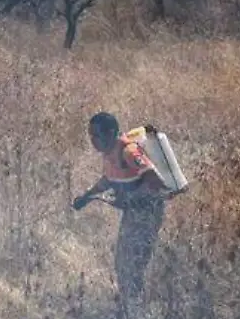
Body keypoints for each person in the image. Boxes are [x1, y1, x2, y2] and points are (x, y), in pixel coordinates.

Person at [71, 111, 180, 306]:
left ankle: (137, 306)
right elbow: (107, 179)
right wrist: (86, 197)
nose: (93, 140)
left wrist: (139, 200)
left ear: (111, 132)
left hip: (146, 214)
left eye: (96, 135)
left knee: (133, 262)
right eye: (91, 135)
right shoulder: (110, 153)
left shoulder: (129, 152)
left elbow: (154, 179)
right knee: (123, 262)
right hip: (133, 215)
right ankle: (132, 304)